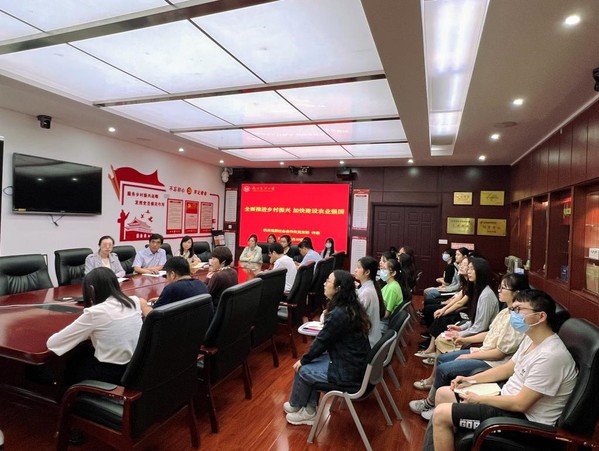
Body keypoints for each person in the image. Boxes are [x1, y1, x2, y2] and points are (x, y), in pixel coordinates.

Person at [426, 289, 578, 451]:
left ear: (541, 316)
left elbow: (520, 404)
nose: (513, 314)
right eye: (513, 309)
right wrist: (470, 380)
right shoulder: (531, 339)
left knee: (441, 414)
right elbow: (506, 369)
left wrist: (479, 399)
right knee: (443, 394)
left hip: (524, 423)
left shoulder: (551, 356)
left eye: (518, 309)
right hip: (506, 399)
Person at [410, 273, 529, 420]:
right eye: (500, 287)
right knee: (442, 359)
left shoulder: (516, 320)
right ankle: (435, 398)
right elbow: (489, 333)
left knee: (444, 369)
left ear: (516, 293)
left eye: (503, 288)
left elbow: (499, 354)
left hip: (492, 361)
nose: (499, 290)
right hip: (484, 351)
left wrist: (470, 355)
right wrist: (463, 339)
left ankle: (430, 403)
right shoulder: (506, 311)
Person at [283, 270, 371, 426]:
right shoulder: (350, 307)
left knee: (303, 368)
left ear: (338, 288)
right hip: (354, 365)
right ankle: (301, 406)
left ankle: (306, 410)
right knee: (310, 361)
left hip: (348, 373)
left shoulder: (339, 314)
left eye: (328, 281)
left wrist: (303, 360)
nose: (324, 283)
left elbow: (321, 341)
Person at [47, 267, 142, 385]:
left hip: (110, 374)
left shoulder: (96, 312)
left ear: (91, 289)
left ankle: (63, 396)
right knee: (82, 354)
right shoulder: (134, 301)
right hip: (134, 368)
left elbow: (53, 343)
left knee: (71, 362)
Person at [139, 256, 209, 317]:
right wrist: (164, 299)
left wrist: (143, 304)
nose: (166, 280)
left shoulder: (172, 289)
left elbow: (152, 316)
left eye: (166, 276)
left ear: (172, 275)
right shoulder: (201, 284)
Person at [354, 256, 384, 347]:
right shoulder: (369, 287)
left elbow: (354, 318)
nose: (355, 270)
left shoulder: (367, 292)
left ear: (367, 272)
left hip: (367, 342)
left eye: (358, 267)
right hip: (369, 337)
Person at [380, 258, 404, 332]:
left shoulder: (392, 288)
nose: (381, 271)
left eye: (384, 269)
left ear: (393, 273)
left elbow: (386, 314)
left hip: (383, 323)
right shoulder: (390, 285)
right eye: (382, 269)